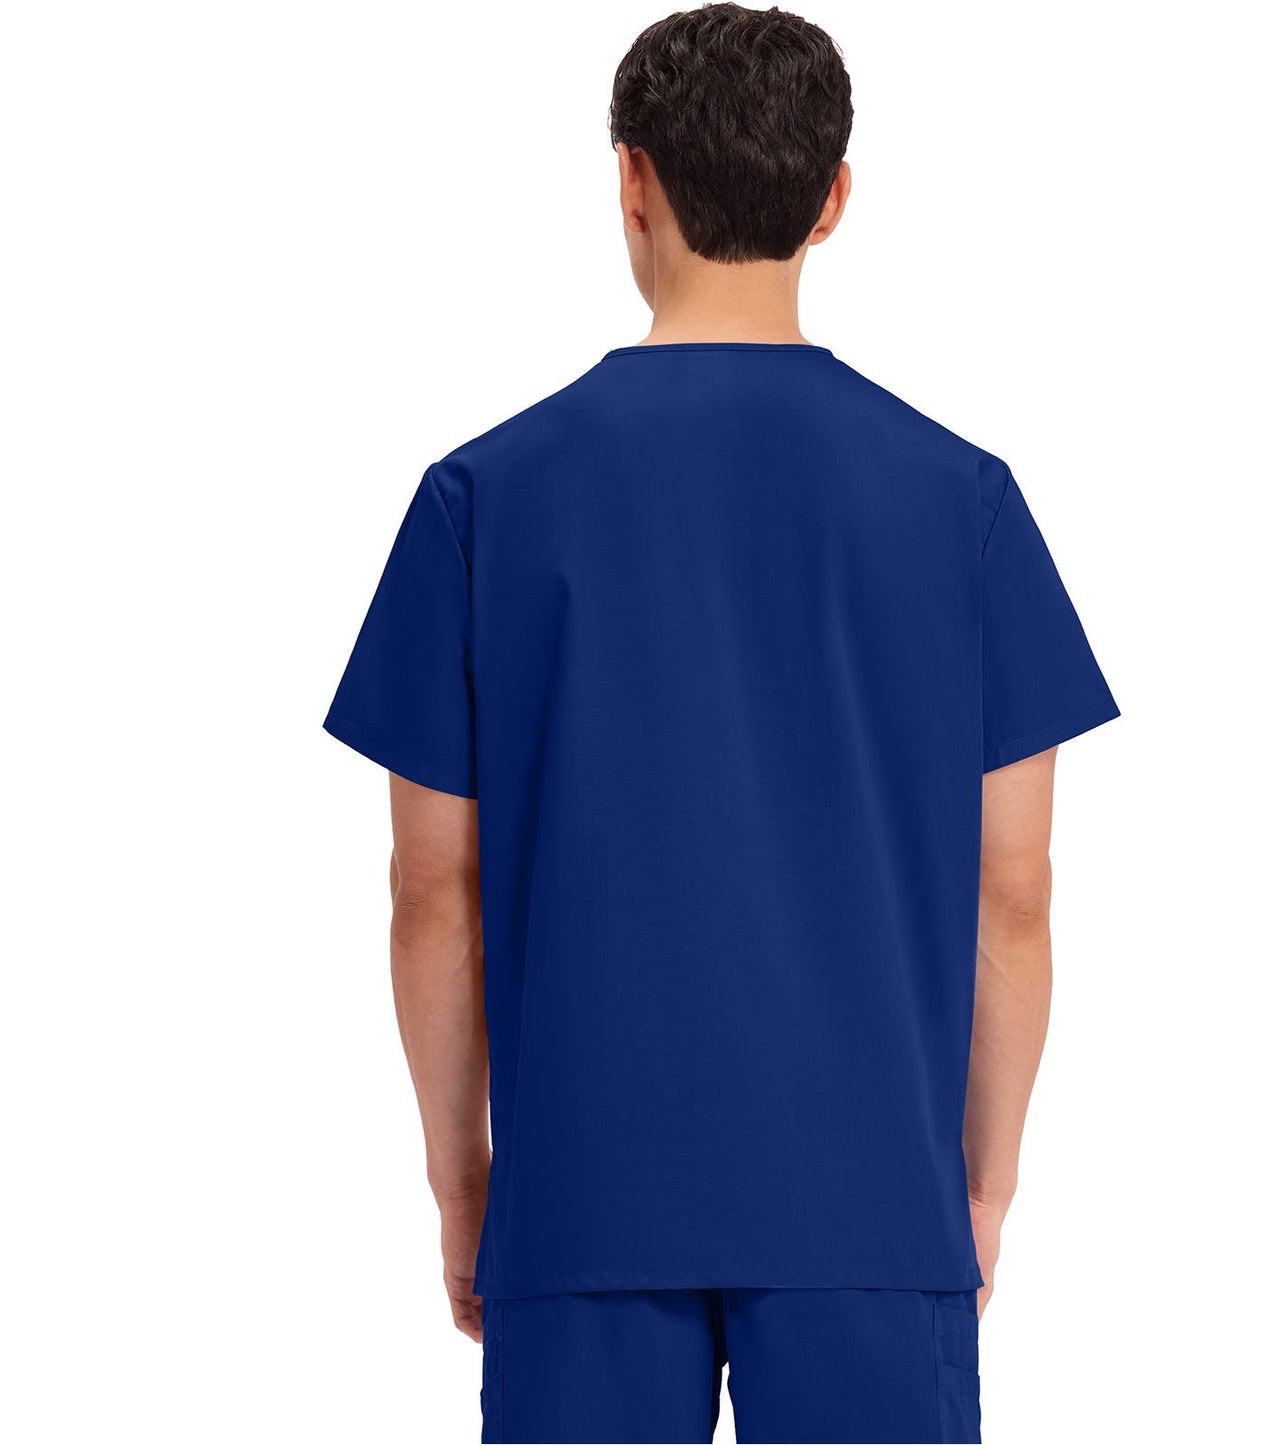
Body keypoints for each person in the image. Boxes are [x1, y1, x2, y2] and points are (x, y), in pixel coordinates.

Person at [323, 5, 1118, 1440]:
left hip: (582, 1198)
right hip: (869, 1203)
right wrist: (982, 1184)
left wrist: (465, 1182)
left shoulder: (481, 500)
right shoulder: (961, 502)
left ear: (630, 182)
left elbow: (431, 893)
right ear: (834, 198)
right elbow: (1012, 893)